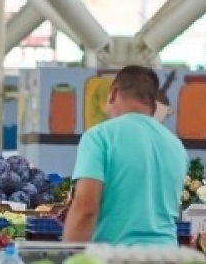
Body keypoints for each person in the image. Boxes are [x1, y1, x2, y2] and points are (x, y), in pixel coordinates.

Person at [64, 66, 187, 246]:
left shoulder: (99, 137)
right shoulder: (176, 146)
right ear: (153, 108)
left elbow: (85, 208)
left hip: (116, 262)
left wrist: (69, 261)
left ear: (113, 93)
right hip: (167, 259)